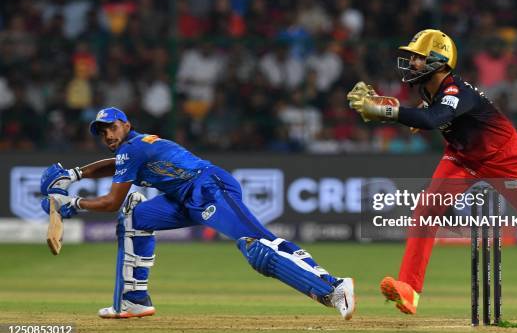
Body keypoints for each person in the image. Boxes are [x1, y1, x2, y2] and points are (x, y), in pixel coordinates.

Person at [346, 29, 517, 315]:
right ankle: (409, 290)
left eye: (418, 59)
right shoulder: (429, 89)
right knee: (427, 209)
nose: (411, 64)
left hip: (503, 159)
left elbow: (431, 119)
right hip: (462, 157)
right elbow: (427, 111)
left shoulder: (456, 91)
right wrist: (399, 109)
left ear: (439, 62)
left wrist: (389, 111)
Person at [39, 107, 355, 320]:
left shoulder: (132, 148)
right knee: (137, 217)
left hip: (209, 188)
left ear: (127, 125)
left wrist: (72, 204)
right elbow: (114, 167)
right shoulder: (130, 149)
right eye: (102, 131)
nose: (107, 134)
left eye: (112, 127)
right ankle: (134, 300)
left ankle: (333, 286)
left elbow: (110, 202)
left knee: (257, 245)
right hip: (182, 197)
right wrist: (75, 174)